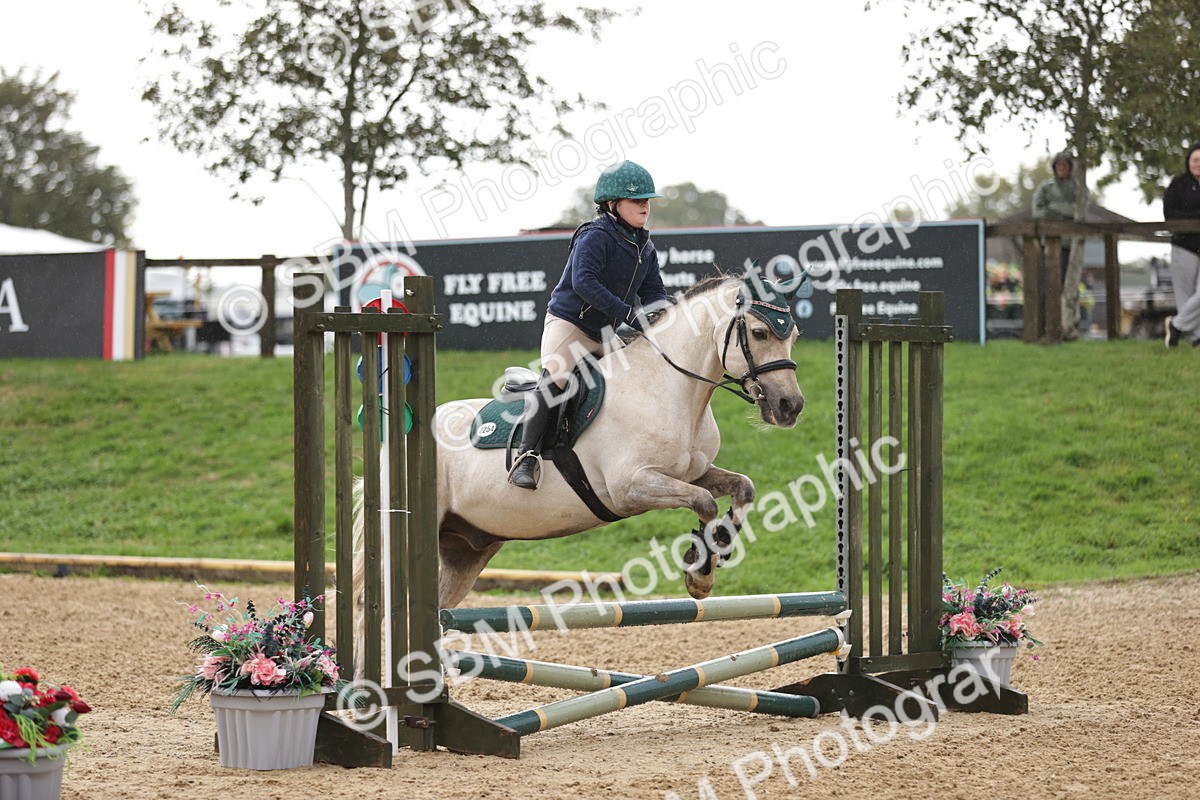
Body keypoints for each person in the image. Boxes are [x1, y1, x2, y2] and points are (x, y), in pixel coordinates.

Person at [508, 160, 669, 489]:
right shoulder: (595, 235)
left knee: (635, 379)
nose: (645, 206)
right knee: (555, 377)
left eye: (647, 200)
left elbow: (653, 290)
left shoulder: (644, 245)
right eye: (637, 200)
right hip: (570, 324)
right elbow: (584, 283)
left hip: (606, 331)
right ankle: (525, 457)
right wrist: (628, 314)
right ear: (612, 205)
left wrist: (662, 313)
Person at [1162, 142, 1200, 348]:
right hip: (1184, 245)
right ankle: (1196, 339)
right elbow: (1170, 215)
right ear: (1188, 162)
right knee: (1185, 295)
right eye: (1195, 160)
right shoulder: (1178, 184)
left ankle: (1175, 325)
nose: (1198, 164)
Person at [1032, 151, 1087, 281]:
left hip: (1070, 243)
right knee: (1046, 280)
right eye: (1059, 165)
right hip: (1048, 240)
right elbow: (1037, 212)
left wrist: (1053, 209)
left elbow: (1079, 210)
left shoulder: (1078, 188)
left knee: (1067, 279)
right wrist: (1059, 213)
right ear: (1054, 167)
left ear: (1070, 168)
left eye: (1065, 165)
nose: (1062, 168)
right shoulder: (1046, 187)